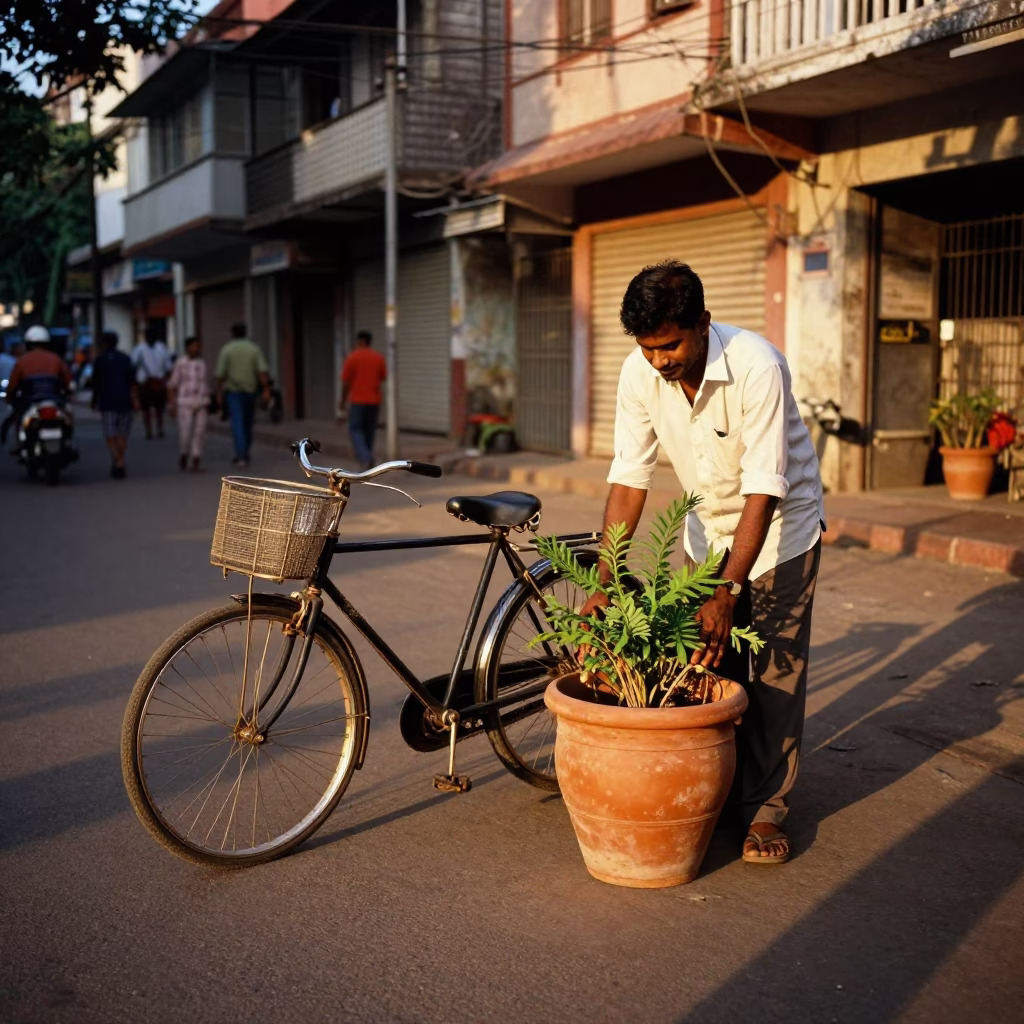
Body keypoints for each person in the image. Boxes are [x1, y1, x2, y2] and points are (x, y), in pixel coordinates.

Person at [588, 261, 825, 866]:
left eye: (670, 345)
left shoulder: (757, 365)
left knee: (771, 672)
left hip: (778, 533)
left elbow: (765, 488)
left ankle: (766, 808)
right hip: (706, 534)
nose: (660, 361)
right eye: (648, 349)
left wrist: (728, 591)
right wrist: (605, 579)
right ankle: (722, 786)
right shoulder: (639, 373)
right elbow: (628, 480)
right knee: (708, 665)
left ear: (702, 323)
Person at [3, 327, 71, 447]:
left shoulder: (22, 361)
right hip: (54, 400)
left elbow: (13, 385)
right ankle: (68, 442)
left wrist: (9, 398)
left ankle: (20, 444)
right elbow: (67, 382)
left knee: (18, 417)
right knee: (68, 415)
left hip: (31, 402)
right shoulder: (56, 359)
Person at [215, 322, 270, 467]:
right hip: (251, 392)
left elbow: (220, 374)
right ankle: (244, 451)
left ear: (232, 333)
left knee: (237, 423)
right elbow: (262, 371)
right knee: (248, 423)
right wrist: (266, 390)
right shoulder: (254, 349)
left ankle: (241, 455)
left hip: (234, 392)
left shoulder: (227, 350)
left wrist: (219, 392)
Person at [92, 330, 137, 479]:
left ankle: (118, 460)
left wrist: (94, 400)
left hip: (108, 401)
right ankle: (120, 460)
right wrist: (135, 400)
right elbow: (132, 382)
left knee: (111, 433)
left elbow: (96, 383)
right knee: (123, 433)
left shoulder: (100, 361)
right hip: (125, 400)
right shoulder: (125, 359)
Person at [339, 329, 387, 470]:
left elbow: (345, 382)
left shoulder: (352, 358)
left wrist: (342, 401)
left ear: (360, 341)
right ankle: (367, 457)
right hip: (374, 401)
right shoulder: (378, 358)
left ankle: (365, 458)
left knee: (355, 429)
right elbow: (383, 377)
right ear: (369, 342)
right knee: (369, 430)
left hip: (358, 401)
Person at [167, 335, 210, 473]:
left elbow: (204, 382)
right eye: (193, 346)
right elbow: (172, 384)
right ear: (187, 348)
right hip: (184, 402)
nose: (196, 349)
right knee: (185, 432)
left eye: (198, 346)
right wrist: (172, 404)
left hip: (201, 401)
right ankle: (184, 453)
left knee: (199, 431)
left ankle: (196, 459)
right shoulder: (180, 363)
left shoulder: (202, 364)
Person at [132, 326, 172, 440]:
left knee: (159, 408)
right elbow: (133, 366)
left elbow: (168, 367)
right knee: (146, 409)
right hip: (144, 382)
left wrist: (167, 382)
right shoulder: (139, 349)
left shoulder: (162, 348)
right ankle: (149, 429)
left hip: (158, 381)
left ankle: (160, 428)